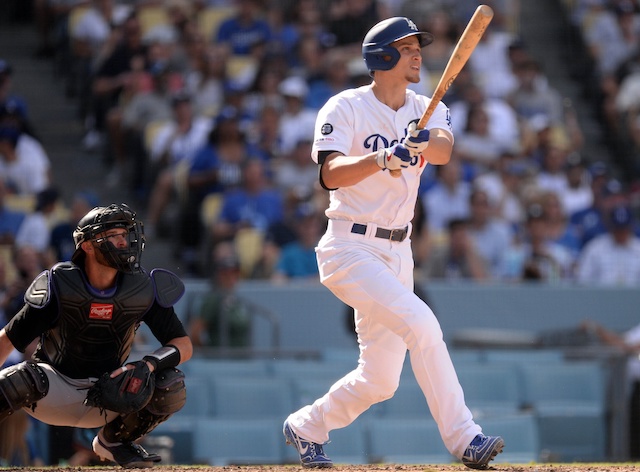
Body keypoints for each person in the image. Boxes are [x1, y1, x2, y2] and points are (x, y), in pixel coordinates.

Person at [282, 17, 504, 469]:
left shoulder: (427, 106)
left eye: (418, 47)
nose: (418, 53)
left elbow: (443, 147)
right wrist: (382, 157)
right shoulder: (343, 107)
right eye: (406, 48)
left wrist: (420, 143)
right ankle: (466, 438)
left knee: (380, 379)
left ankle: (307, 426)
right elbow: (329, 173)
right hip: (349, 245)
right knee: (422, 324)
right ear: (381, 57)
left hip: (399, 250)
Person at [0, 203, 193, 468]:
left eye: (125, 234)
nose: (124, 241)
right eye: (114, 235)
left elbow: (183, 344)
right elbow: (8, 339)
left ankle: (114, 442)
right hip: (51, 389)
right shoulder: (61, 285)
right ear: (88, 245)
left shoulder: (143, 287)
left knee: (170, 384)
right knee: (14, 380)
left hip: (108, 393)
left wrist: (149, 364)